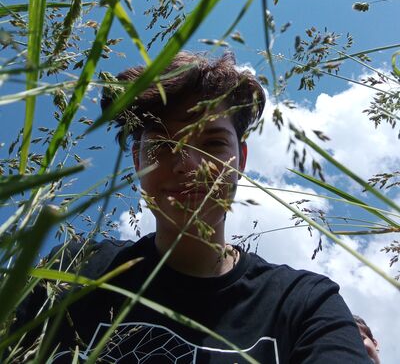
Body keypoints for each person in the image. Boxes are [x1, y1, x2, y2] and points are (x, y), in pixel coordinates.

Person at [12, 51, 371, 363]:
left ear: (240, 159)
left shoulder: (304, 305)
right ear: (137, 160)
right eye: (163, 145)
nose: (188, 164)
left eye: (212, 143)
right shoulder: (74, 269)